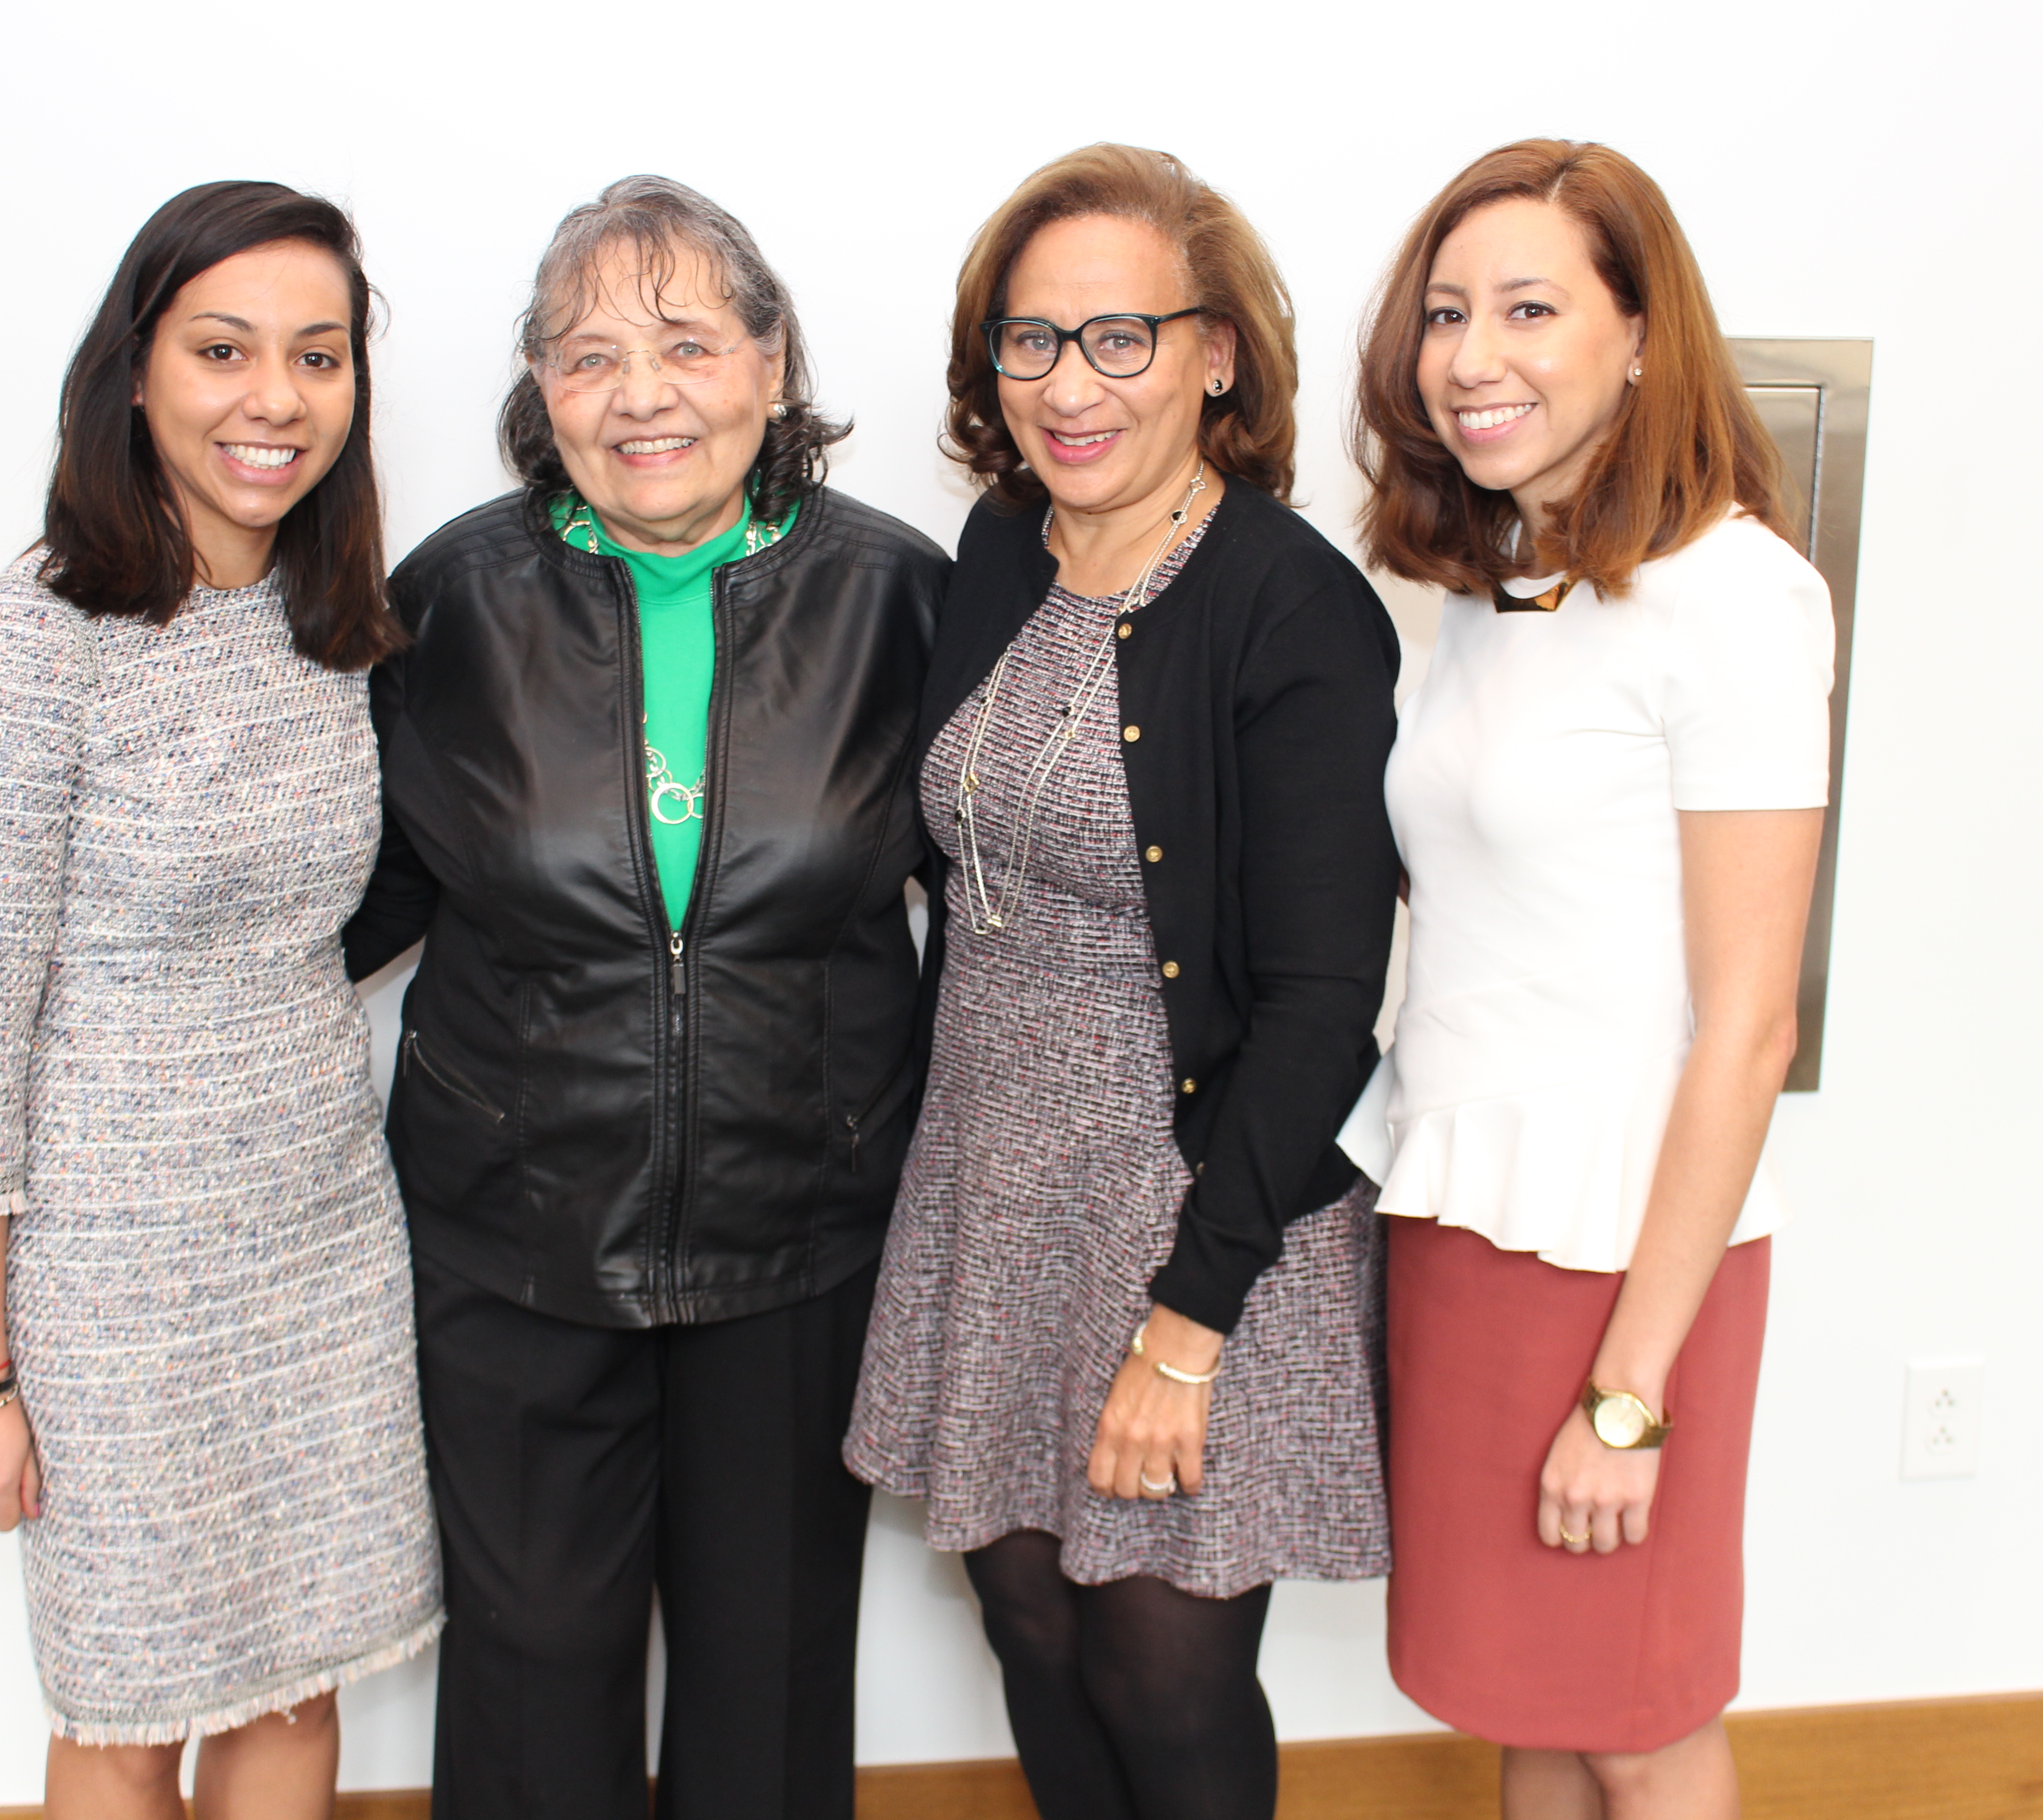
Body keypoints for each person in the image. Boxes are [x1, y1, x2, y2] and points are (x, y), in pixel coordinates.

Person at [340, 176, 946, 1820]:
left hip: (800, 1231)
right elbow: (353, 895)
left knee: (771, 1672)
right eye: (589, 355)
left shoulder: (900, 596)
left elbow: (990, 918)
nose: (642, 395)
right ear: (540, 393)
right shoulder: (448, 600)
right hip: (516, 1231)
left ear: (770, 364)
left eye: (687, 344)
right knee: (531, 1675)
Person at [845, 144, 1400, 1820]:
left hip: (1194, 1212)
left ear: (1217, 353)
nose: (1068, 387)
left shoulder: (1291, 606)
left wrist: (1190, 1322)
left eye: (1120, 338)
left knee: (1163, 1671)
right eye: (1030, 342)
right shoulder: (1004, 553)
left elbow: (1322, 1005)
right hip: (998, 1184)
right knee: (1029, 1621)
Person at [0, 181, 441, 1815]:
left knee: (298, 1676)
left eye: (318, 356)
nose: (273, 399)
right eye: (224, 350)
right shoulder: (27, 644)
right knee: (130, 1702)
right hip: (114, 1278)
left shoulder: (335, 626)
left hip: (320, 1233)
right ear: (134, 371)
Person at [1341, 139, 1835, 1820]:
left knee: (1635, 1708)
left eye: (1532, 309)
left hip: (1632, 1256)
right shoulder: (1492, 598)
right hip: (1466, 1220)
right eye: (1449, 312)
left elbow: (1752, 1023)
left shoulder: (1742, 599)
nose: (1473, 356)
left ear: (1642, 333)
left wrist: (1630, 1395)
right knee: (1528, 1701)